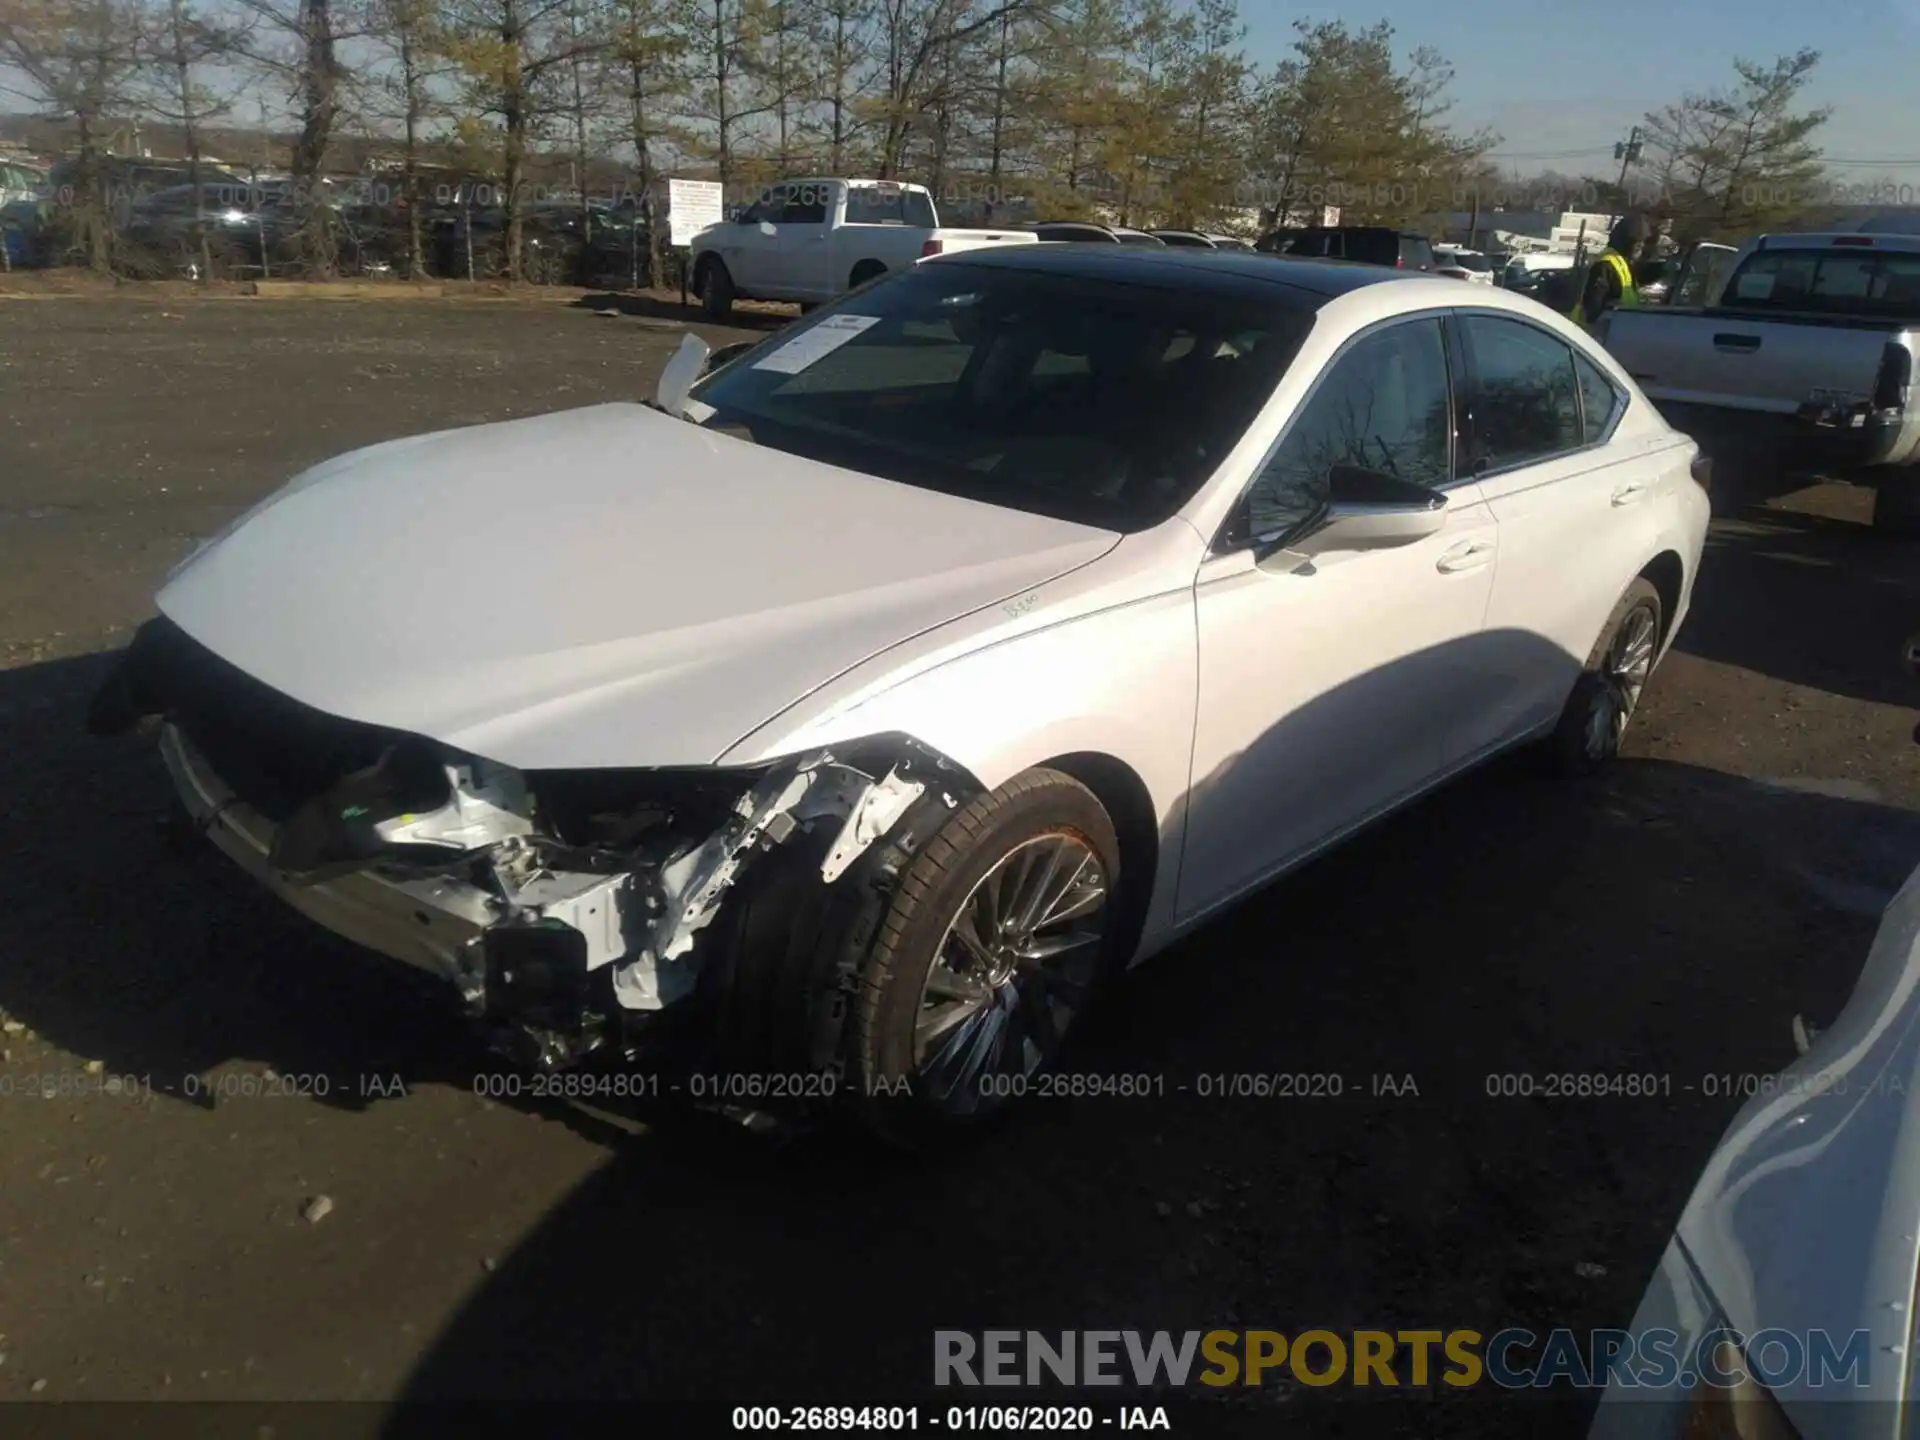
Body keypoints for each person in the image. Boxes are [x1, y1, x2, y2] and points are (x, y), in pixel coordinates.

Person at [1572, 214, 1649, 328]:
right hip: (1595, 335)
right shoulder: (1606, 265)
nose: (1641, 246)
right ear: (1626, 242)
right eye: (1638, 242)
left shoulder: (1623, 265)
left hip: (1617, 332)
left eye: (1643, 242)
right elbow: (1593, 309)